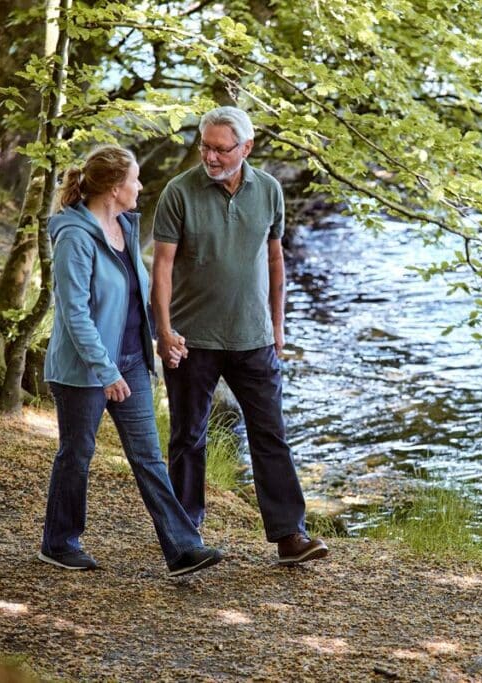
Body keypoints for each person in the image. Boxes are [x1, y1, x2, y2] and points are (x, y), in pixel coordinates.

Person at [151, 106, 328, 566]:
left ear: (245, 148)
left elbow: (274, 261)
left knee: (271, 433)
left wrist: (277, 324)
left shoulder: (268, 191)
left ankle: (290, 535)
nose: (209, 156)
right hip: (193, 339)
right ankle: (185, 538)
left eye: (220, 148)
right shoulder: (179, 193)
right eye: (205, 146)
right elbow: (163, 267)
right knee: (188, 436)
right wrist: (164, 330)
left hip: (254, 337)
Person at [38, 145, 223, 577]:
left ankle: (181, 549)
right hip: (85, 370)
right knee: (77, 453)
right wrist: (106, 372)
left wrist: (163, 335)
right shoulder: (74, 237)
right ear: (115, 187)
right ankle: (59, 542)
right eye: (135, 180)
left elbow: (135, 298)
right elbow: (74, 313)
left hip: (131, 361)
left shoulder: (123, 226)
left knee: (149, 457)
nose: (141, 186)